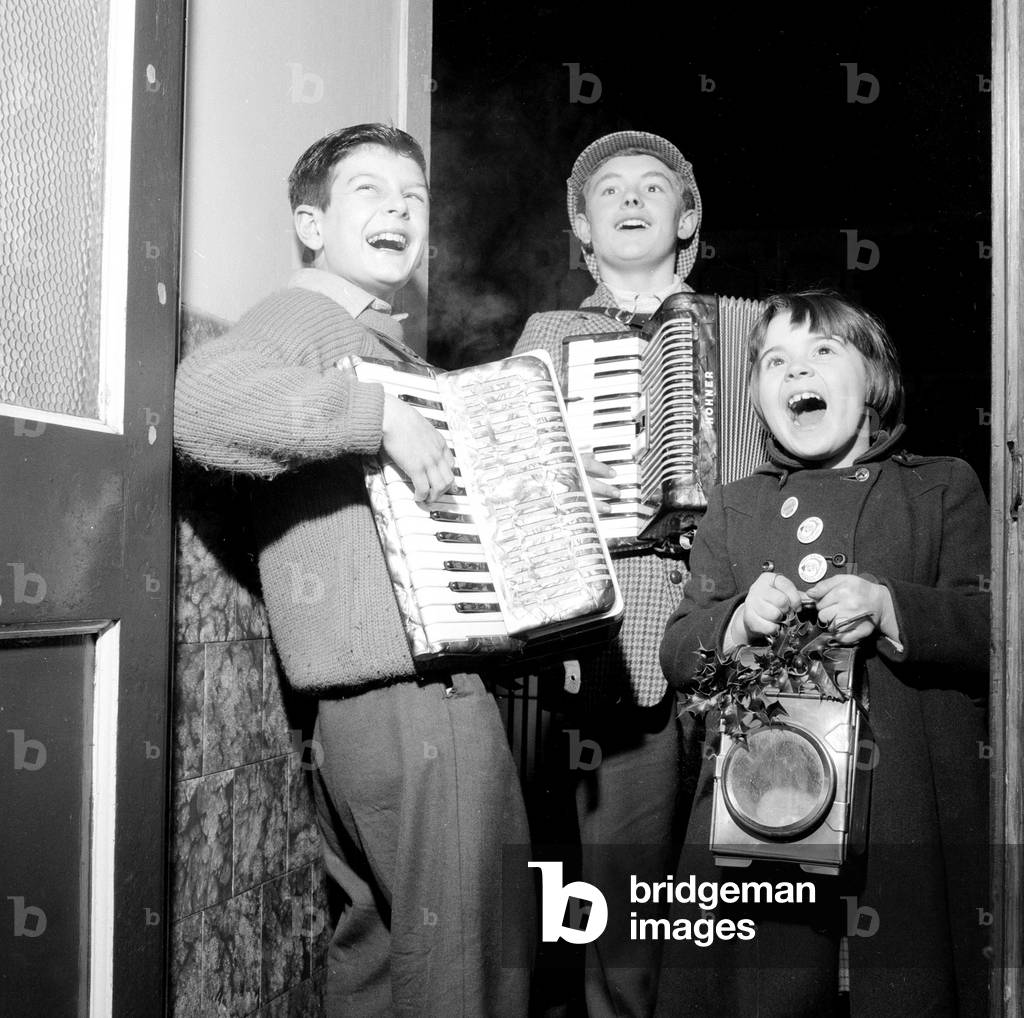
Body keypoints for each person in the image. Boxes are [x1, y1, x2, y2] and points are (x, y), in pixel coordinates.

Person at [174, 123, 533, 1017]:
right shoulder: (308, 318)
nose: (400, 211)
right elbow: (198, 402)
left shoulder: (374, 340)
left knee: (380, 954)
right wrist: (376, 417)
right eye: (369, 191)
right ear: (310, 223)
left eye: (413, 198)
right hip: (417, 698)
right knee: (467, 969)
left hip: (363, 711)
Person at [656, 290, 990, 1017]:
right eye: (774, 361)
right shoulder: (735, 505)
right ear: (755, 398)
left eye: (822, 353)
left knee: (903, 984)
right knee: (767, 986)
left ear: (873, 377)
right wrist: (737, 622)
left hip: (907, 814)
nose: (794, 370)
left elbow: (992, 633)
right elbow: (681, 654)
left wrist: (892, 607)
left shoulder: (942, 487)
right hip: (763, 816)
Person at [512, 130, 705, 1018]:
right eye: (608, 190)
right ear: (583, 229)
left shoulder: (747, 331)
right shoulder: (551, 333)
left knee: (750, 888)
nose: (631, 199)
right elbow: (507, 485)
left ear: (687, 217)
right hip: (619, 633)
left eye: (653, 186)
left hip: (746, 629)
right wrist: (558, 476)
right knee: (626, 902)